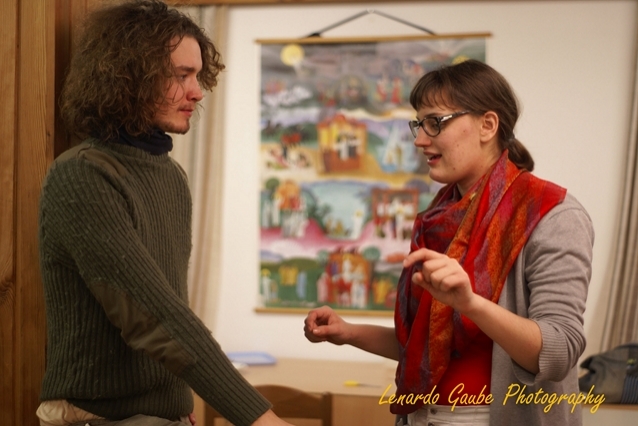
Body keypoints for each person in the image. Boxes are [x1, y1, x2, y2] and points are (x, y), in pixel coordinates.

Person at [37, 1, 293, 426]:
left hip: (168, 414)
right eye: (180, 75)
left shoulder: (171, 175)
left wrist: (179, 406)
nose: (198, 92)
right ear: (128, 77)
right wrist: (260, 419)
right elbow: (155, 316)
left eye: (197, 76)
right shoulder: (83, 174)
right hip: (100, 417)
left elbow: (170, 309)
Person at [304, 59, 594, 426]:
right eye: (419, 124)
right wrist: (348, 333)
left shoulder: (554, 215)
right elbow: (427, 346)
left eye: (435, 122)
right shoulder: (438, 217)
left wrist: (470, 304)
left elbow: (559, 351)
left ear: (488, 125)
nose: (420, 140)